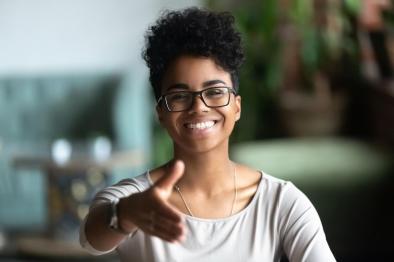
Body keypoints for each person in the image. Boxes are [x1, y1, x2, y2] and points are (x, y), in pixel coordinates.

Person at [80, 7, 336, 262]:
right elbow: (92, 238)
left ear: (237, 107)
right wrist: (127, 214)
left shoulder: (281, 202)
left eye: (214, 92)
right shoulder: (133, 200)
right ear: (161, 113)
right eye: (179, 96)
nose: (199, 107)